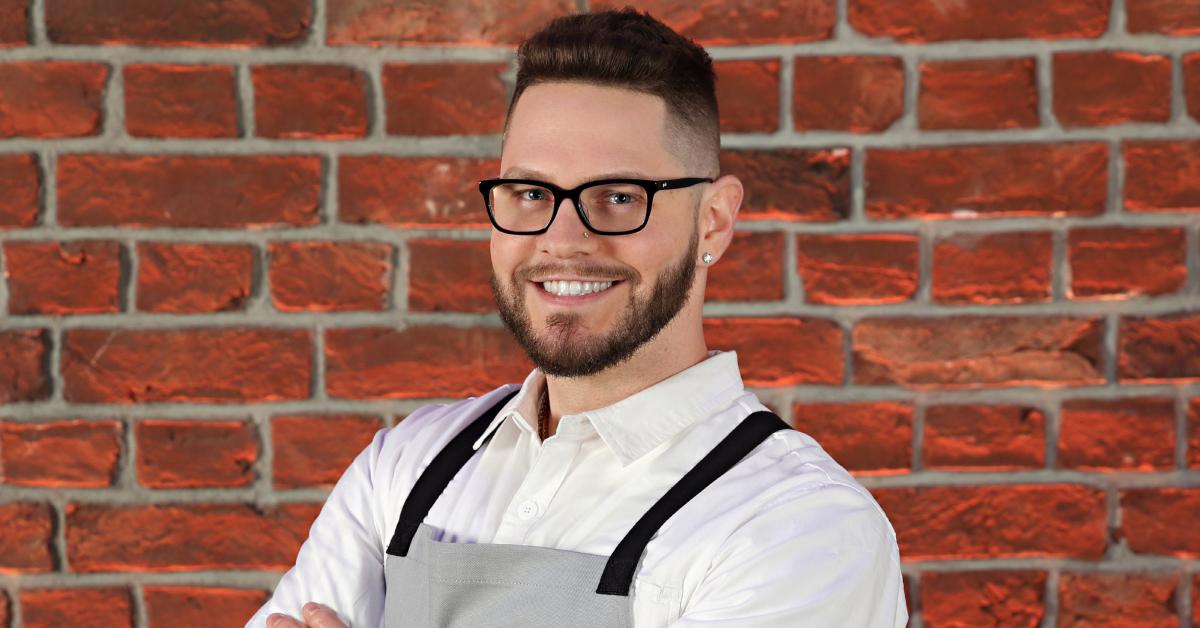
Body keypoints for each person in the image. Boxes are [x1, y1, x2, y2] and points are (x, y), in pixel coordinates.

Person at [251, 8, 905, 628]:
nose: (563, 238)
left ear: (714, 219)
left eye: (619, 197)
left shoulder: (799, 528)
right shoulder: (404, 467)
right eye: (532, 193)